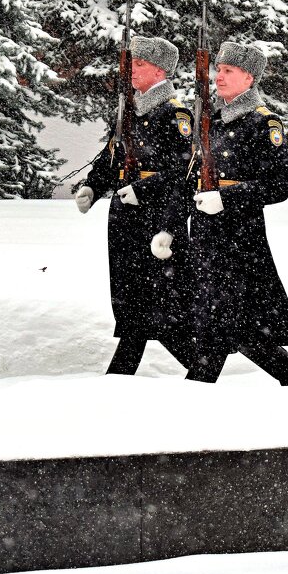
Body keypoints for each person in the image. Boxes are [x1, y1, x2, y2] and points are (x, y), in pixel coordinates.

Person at [155, 41, 288, 386]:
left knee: (221, 317)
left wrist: (227, 198)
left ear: (249, 78)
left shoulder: (262, 123)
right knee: (230, 322)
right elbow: (189, 178)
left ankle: (199, 386)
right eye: (219, 69)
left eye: (228, 71)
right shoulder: (209, 120)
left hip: (240, 238)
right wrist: (169, 226)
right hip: (205, 236)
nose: (219, 76)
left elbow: (278, 185)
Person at [75, 35, 195, 374]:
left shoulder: (176, 115)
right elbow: (112, 156)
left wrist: (145, 189)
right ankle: (124, 374)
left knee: (160, 303)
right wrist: (93, 187)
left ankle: (201, 371)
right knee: (131, 301)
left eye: (139, 64)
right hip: (125, 217)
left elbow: (185, 171)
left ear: (159, 71)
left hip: (158, 218)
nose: (131, 70)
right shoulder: (130, 111)